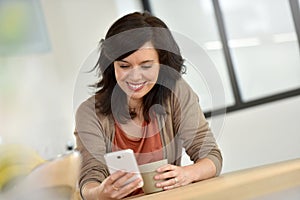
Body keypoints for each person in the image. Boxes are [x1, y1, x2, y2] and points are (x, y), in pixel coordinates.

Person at [74, 11, 222, 200]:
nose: (135, 77)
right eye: (124, 66)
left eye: (146, 66)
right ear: (112, 65)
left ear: (162, 63)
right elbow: (89, 180)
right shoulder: (89, 113)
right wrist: (100, 193)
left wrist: (187, 174)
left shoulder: (175, 92)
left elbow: (211, 157)